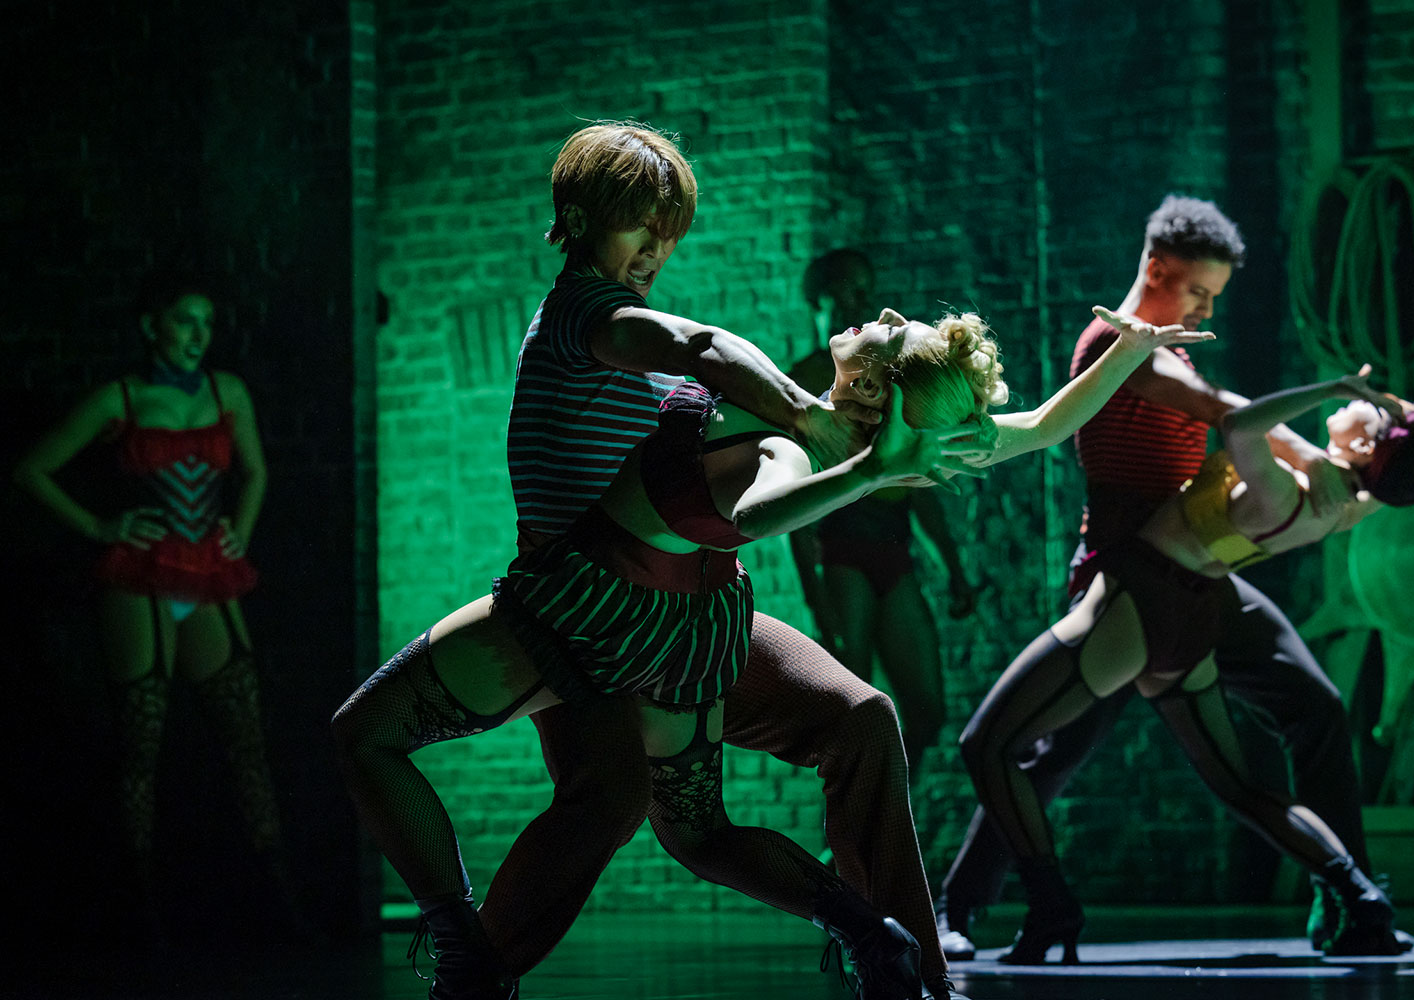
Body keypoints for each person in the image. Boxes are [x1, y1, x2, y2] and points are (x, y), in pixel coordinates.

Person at [328, 121, 973, 1000]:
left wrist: (875, 445)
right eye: (642, 225)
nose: (657, 249)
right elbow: (705, 352)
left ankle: (895, 953)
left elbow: (752, 483)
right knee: (629, 804)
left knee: (854, 723)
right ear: (583, 217)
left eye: (669, 231)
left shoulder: (650, 362)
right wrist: (813, 424)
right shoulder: (588, 315)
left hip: (672, 617)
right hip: (589, 614)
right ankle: (472, 961)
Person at [936, 194, 1414, 959]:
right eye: (1197, 290)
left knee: (1313, 706)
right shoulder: (1116, 343)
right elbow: (1222, 408)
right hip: (1127, 570)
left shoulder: (1171, 348)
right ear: (1156, 267)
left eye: (1212, 298)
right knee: (1046, 754)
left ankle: (1353, 894)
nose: (1203, 307)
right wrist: (1315, 456)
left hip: (1195, 572)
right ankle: (959, 911)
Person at [956, 344, 1414, 963]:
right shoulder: (1343, 503)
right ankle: (1358, 889)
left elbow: (1240, 424)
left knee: (987, 744)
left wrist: (1332, 388)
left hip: (1142, 599)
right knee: (1241, 787)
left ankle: (1051, 907)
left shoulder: (1290, 489)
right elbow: (1401, 473)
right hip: (1191, 623)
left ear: (1362, 451)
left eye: (1372, 416)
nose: (1366, 407)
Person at [12, 271, 286, 938]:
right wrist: (102, 527)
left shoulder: (228, 391)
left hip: (208, 575)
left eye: (207, 323)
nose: (199, 335)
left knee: (245, 736)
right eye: (185, 320)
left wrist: (240, 533)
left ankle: (280, 903)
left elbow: (256, 471)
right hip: (141, 577)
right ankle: (140, 908)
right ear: (150, 325)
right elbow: (31, 470)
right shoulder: (122, 399)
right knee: (142, 738)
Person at [788, 249, 978, 775]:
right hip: (841, 552)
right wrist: (817, 603)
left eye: (866, 290)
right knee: (855, 715)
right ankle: (851, 838)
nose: (862, 304)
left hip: (894, 551)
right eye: (848, 292)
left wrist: (954, 568)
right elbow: (789, 508)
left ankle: (885, 810)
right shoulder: (799, 383)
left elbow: (919, 480)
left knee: (927, 711)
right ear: (817, 301)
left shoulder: (890, 379)